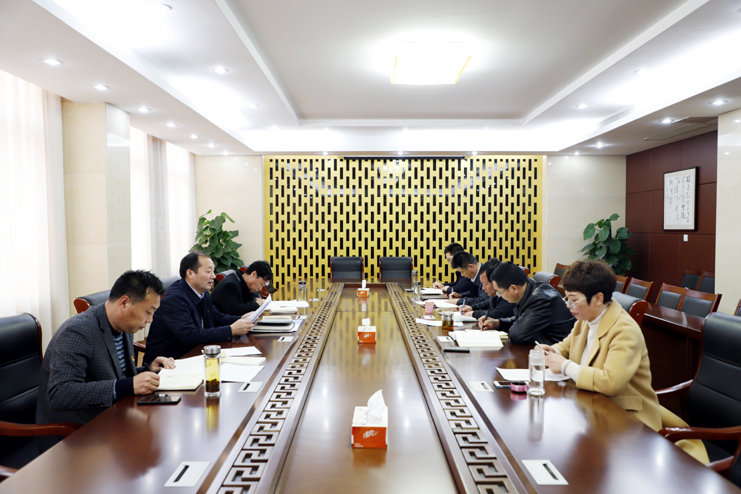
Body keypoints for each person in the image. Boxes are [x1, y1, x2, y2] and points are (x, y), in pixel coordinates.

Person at [539, 260, 708, 463]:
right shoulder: (586, 319)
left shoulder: (624, 329)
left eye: (573, 300)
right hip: (592, 407)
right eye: (567, 298)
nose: (568, 305)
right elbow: (566, 346)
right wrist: (553, 351)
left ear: (598, 298)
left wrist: (565, 366)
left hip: (625, 417)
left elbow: (610, 382)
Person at [37, 270, 175, 441]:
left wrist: (148, 370)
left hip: (113, 419)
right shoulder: (78, 332)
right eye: (148, 312)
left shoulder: (124, 325)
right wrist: (125, 386)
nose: (150, 320)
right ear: (124, 303)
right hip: (74, 435)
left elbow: (114, 375)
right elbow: (59, 394)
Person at [144, 252, 254, 363]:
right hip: (169, 362)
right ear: (190, 273)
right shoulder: (174, 299)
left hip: (195, 354)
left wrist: (242, 319)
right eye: (208, 271)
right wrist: (231, 330)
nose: (213, 276)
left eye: (213, 271)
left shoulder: (202, 292)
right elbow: (190, 336)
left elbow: (216, 317)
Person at [485, 261, 574, 345]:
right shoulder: (529, 289)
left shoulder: (541, 299)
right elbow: (521, 319)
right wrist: (498, 323)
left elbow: (517, 335)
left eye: (499, 292)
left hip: (559, 352)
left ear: (513, 288)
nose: (499, 296)